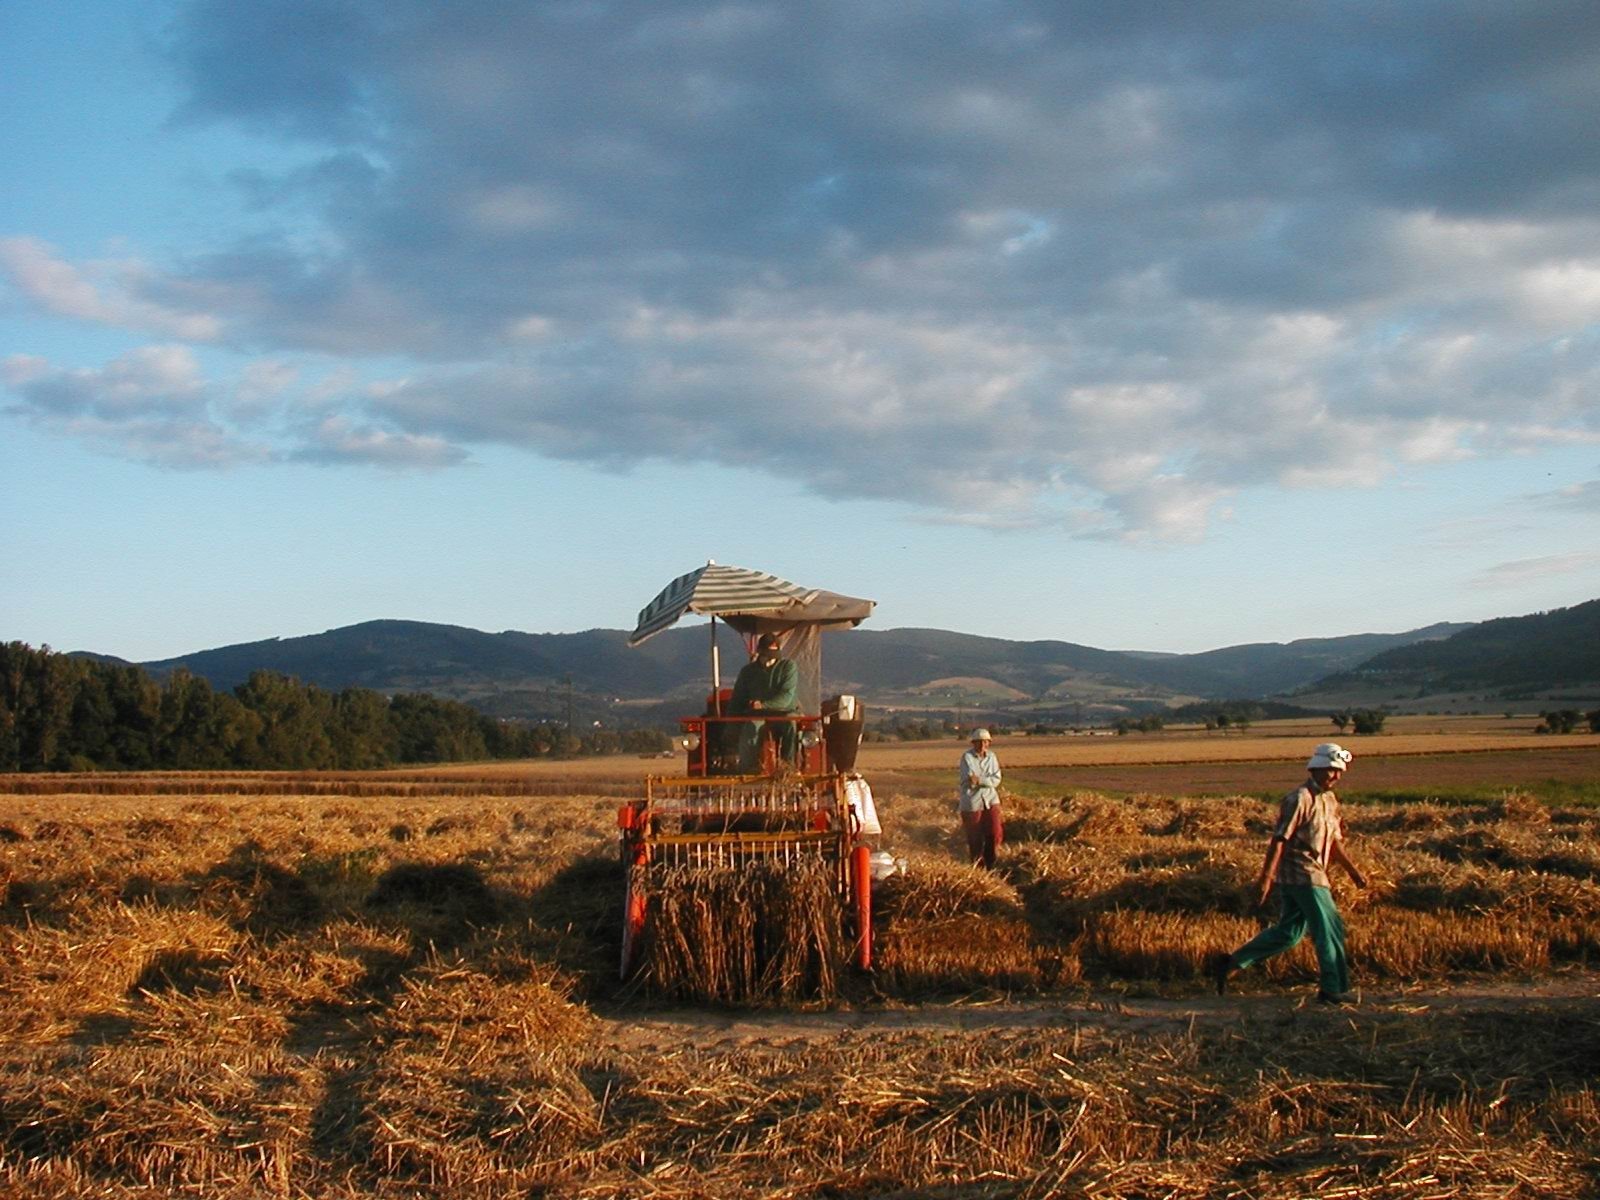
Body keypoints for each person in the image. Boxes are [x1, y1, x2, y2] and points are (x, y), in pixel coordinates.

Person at [1213, 742, 1369, 1005]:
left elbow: (1333, 842)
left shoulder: (1329, 801)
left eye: (1339, 772)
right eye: (1332, 770)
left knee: (1290, 933)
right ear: (1317, 769)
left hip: (1314, 874)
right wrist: (1266, 879)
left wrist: (1353, 872)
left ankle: (1231, 963)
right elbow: (1279, 840)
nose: (1337, 776)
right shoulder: (1299, 799)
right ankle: (1333, 989)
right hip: (1303, 874)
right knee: (1329, 930)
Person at [730, 633, 799, 771]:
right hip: (757, 714)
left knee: (791, 725)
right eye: (767, 655)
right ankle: (748, 768)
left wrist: (762, 704)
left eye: (773, 656)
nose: (769, 659)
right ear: (759, 652)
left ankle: (788, 767)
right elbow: (737, 698)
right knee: (752, 727)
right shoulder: (748, 671)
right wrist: (730, 723)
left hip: (784, 712)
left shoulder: (788, 667)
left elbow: (786, 696)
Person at [957, 728, 1003, 868]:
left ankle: (992, 863)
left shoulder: (992, 757)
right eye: (979, 742)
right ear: (973, 743)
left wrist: (980, 780)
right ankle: (978, 867)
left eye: (985, 742)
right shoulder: (967, 757)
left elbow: (997, 779)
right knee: (975, 838)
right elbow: (971, 779)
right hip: (972, 802)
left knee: (995, 833)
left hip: (991, 800)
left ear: (989, 743)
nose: (982, 745)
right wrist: (985, 781)